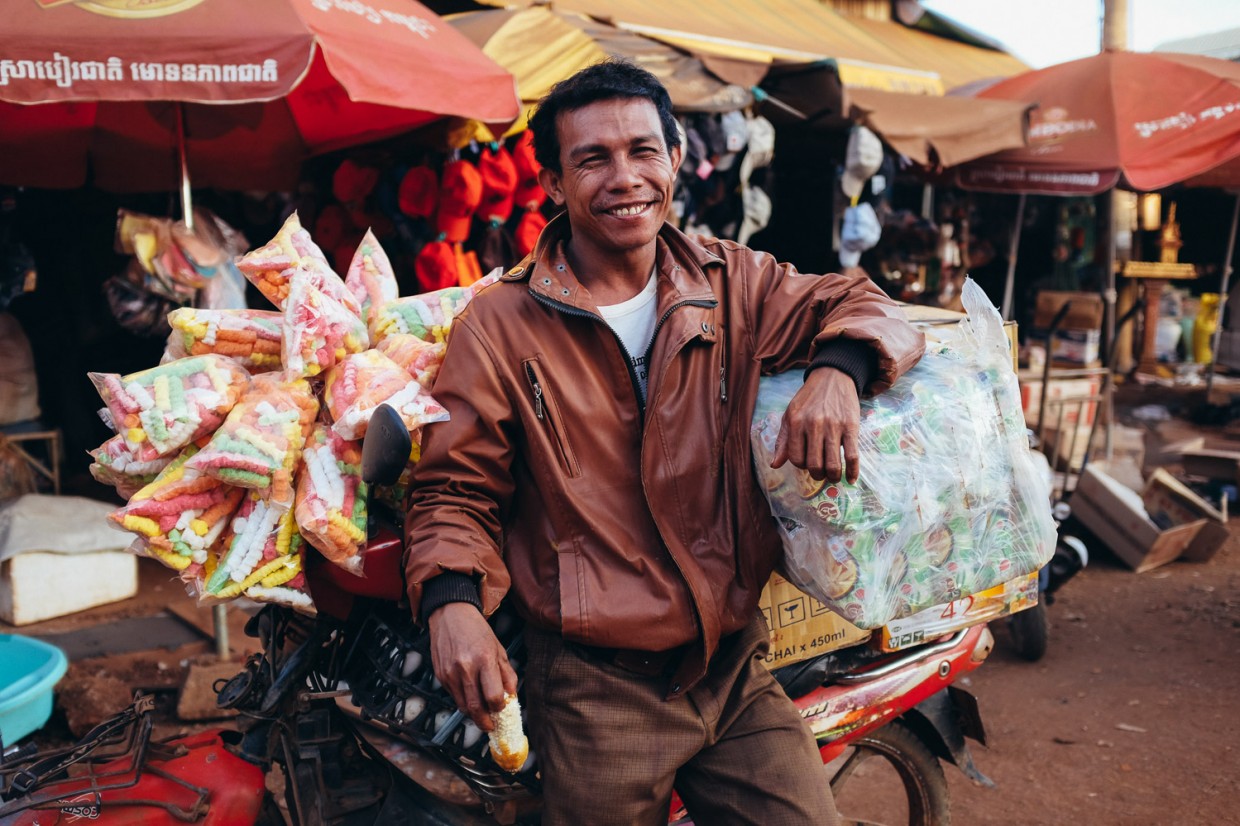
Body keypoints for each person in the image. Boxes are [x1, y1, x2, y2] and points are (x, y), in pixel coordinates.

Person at [404, 60, 925, 825]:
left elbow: (862, 300)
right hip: (596, 687)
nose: (625, 178)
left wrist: (837, 372)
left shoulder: (732, 281)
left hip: (732, 664)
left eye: (643, 150)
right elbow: (454, 488)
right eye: (593, 159)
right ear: (553, 183)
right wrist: (451, 603)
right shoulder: (498, 326)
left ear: (675, 159)